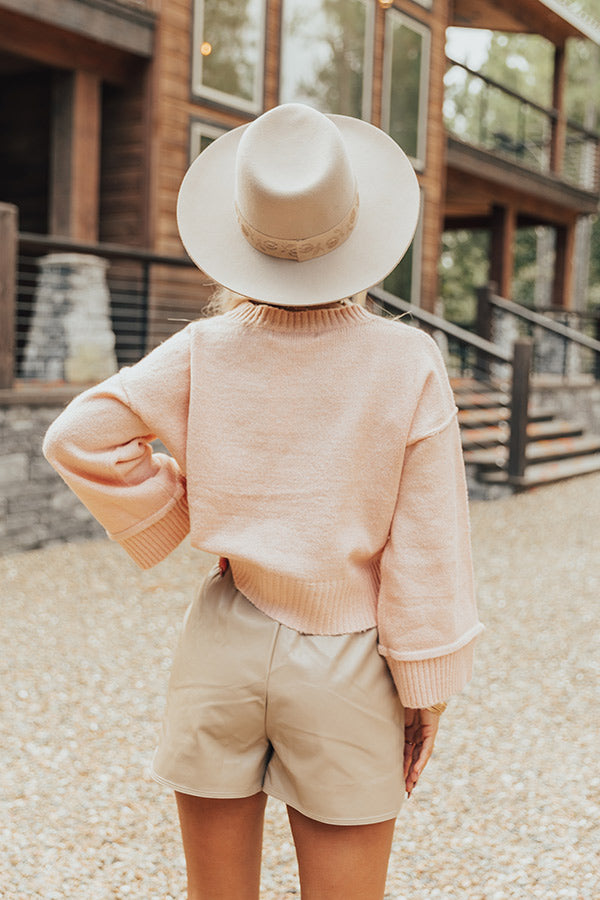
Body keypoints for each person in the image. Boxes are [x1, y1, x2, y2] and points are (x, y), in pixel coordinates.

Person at [43, 103, 483, 900]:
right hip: (349, 663)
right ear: (358, 230)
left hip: (221, 640)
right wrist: (427, 691)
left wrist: (189, 506)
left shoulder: (204, 349)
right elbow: (428, 547)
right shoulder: (408, 360)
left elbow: (78, 437)